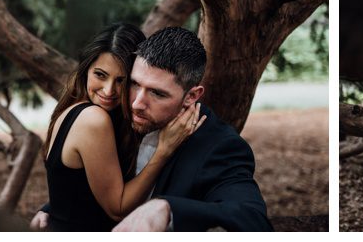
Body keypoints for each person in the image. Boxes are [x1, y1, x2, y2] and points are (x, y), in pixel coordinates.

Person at [35, 23, 205, 231]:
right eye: (100, 75)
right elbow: (118, 208)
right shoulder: (93, 119)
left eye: (121, 81)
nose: (108, 91)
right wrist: (163, 150)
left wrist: (49, 208)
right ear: (86, 70)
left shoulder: (75, 110)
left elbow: (75, 190)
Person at [111, 27, 273, 231]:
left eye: (157, 93)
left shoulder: (220, 147)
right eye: (135, 84)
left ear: (192, 96)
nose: (137, 103)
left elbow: (252, 219)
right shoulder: (111, 111)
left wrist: (168, 209)